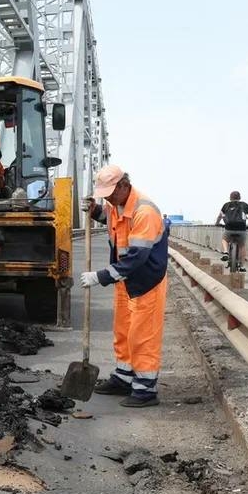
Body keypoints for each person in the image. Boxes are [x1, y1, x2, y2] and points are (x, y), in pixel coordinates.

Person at [79, 165, 170, 407]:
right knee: (123, 332)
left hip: (146, 281)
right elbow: (112, 221)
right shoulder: (114, 204)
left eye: (110, 193)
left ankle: (145, 389)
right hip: (125, 280)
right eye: (104, 195)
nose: (107, 198)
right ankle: (124, 377)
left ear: (123, 186)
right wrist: (95, 210)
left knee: (143, 336)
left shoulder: (145, 211)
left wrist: (101, 276)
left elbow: (137, 257)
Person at [216, 191, 248, 271]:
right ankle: (242, 266)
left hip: (229, 228)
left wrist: (217, 223)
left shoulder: (226, 205)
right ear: (239, 197)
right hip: (241, 228)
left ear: (230, 197)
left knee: (225, 239)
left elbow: (220, 216)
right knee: (242, 245)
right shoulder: (245, 205)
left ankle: (225, 252)